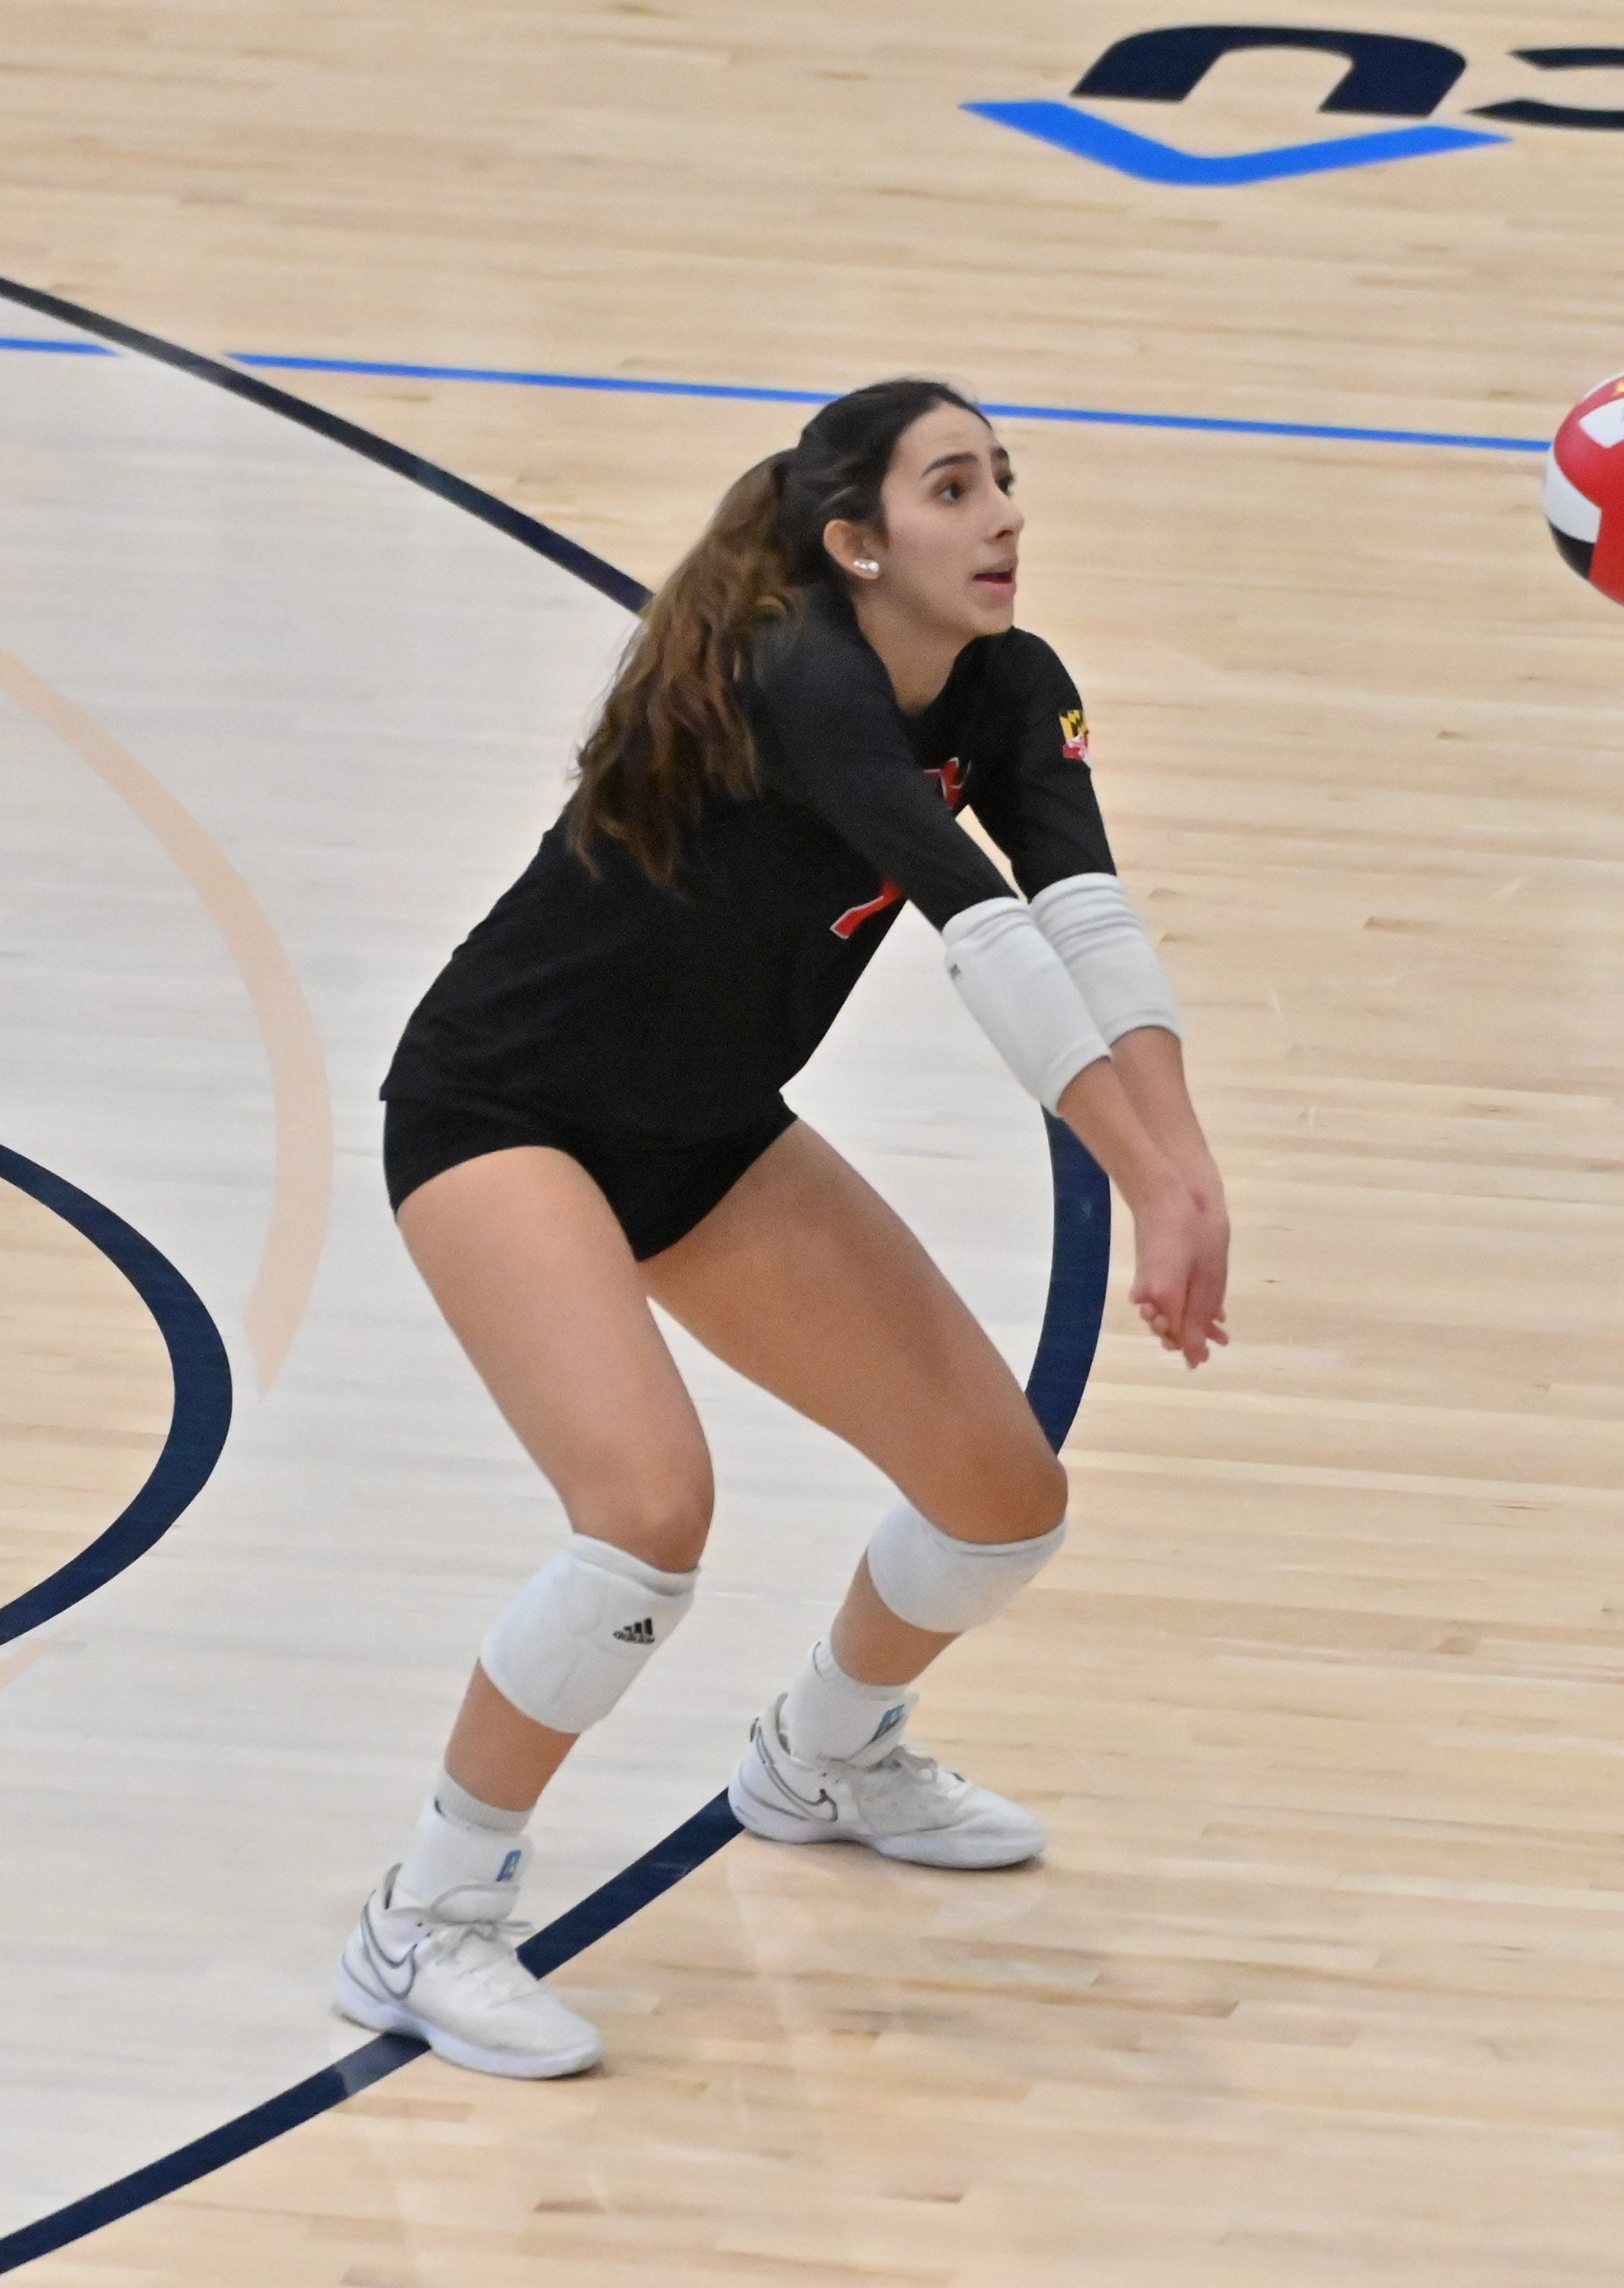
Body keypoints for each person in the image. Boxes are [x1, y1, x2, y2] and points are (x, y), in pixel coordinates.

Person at [335, 378, 1228, 2079]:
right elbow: (981, 930)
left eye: (1005, 482)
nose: (1003, 517)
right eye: (954, 488)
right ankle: (426, 1918)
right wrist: (1136, 1175)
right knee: (646, 1515)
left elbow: (1088, 923)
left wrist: (1183, 1165)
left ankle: (822, 1756)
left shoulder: (1012, 685)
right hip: (501, 1115)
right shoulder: (800, 676)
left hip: (703, 1132)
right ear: (854, 540)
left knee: (998, 1496)